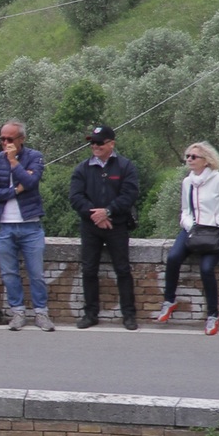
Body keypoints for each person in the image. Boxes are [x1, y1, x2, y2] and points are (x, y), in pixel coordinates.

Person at [154, 142, 219, 336]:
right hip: (193, 230)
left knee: (206, 269)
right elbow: (185, 210)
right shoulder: (187, 182)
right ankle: (169, 300)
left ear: (206, 160)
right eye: (187, 156)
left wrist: (216, 222)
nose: (189, 159)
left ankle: (213, 315)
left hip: (216, 233)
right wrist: (189, 224)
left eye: (193, 156)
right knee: (173, 257)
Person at [0, 120, 54, 332]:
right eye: (2, 139)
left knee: (36, 273)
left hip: (30, 226)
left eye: (10, 139)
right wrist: (15, 191)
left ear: (21, 139)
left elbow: (31, 183)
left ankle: (41, 313)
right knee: (9, 273)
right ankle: (18, 312)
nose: (5, 143)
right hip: (4, 226)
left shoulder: (34, 157)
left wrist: (14, 162)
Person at [68, 124, 141, 330]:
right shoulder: (82, 169)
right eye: (92, 142)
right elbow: (75, 197)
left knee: (123, 270)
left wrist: (107, 212)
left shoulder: (126, 167)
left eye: (99, 143)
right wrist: (96, 215)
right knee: (89, 270)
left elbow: (130, 194)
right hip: (90, 226)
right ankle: (90, 314)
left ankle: (129, 314)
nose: (95, 146)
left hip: (117, 225)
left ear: (111, 144)